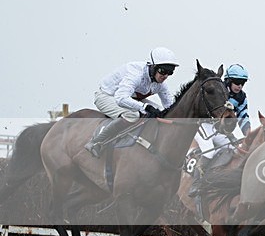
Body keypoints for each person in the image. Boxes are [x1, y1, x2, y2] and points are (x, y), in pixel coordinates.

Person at [84, 47, 179, 158]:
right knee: (132, 115)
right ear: (153, 67)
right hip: (106, 96)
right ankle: (95, 142)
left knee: (161, 112)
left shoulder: (161, 85)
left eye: (170, 72)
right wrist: (145, 107)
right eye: (163, 71)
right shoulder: (136, 75)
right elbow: (121, 98)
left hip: (128, 97)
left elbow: (170, 107)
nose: (165, 76)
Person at [188, 64, 251, 199]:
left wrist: (249, 135)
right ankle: (196, 183)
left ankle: (214, 176)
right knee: (209, 151)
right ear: (228, 80)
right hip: (203, 124)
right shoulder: (217, 89)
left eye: (243, 83)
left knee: (232, 150)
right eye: (237, 82)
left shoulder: (241, 97)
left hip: (219, 129)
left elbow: (243, 116)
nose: (240, 86)